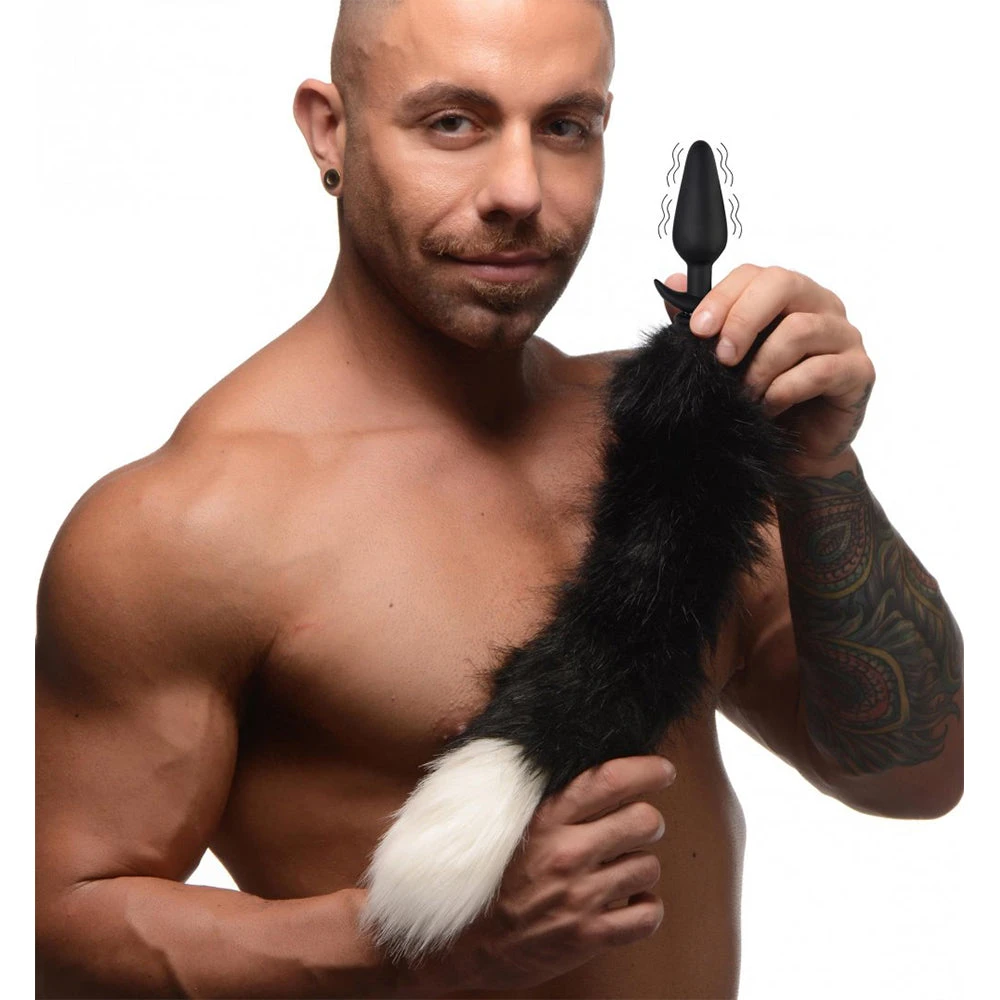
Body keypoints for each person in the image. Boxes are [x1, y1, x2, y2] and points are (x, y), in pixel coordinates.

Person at [35, 1, 963, 997]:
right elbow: (65, 935)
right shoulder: (191, 521)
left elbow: (911, 775)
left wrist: (821, 468)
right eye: (453, 123)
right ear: (329, 130)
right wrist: (415, 946)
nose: (520, 189)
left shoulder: (675, 445)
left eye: (565, 126)